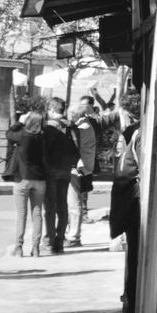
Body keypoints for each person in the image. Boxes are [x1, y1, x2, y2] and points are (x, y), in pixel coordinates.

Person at [108, 122, 143, 313]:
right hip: (133, 216)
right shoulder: (138, 136)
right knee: (133, 275)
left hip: (136, 215)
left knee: (136, 277)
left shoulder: (140, 137)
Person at [5, 110, 47, 257]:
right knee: (37, 214)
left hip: (23, 178)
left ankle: (18, 247)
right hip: (40, 179)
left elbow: (9, 134)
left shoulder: (23, 136)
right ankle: (36, 248)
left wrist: (20, 122)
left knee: (21, 214)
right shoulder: (44, 137)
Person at [41, 98, 76, 253]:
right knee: (63, 206)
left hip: (51, 170)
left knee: (50, 207)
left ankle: (48, 241)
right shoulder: (71, 127)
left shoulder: (48, 128)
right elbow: (76, 148)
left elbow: (44, 150)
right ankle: (60, 241)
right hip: (66, 169)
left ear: (52, 109)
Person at [65, 102, 98, 248]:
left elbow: (75, 146)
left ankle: (74, 236)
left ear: (75, 114)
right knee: (74, 202)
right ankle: (72, 234)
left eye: (71, 114)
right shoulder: (86, 125)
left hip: (78, 168)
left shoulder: (82, 128)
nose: (69, 116)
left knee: (74, 203)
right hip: (82, 167)